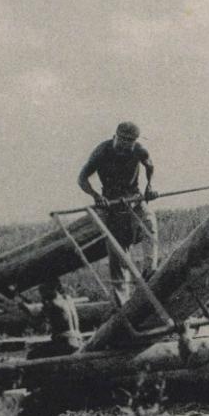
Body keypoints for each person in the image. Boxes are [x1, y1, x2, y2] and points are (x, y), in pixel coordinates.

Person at [77, 121, 161, 305]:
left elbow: (150, 166)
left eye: (129, 141)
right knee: (117, 252)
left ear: (135, 141)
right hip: (112, 204)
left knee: (149, 222)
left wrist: (150, 186)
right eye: (122, 139)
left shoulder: (139, 150)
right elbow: (82, 178)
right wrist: (96, 195)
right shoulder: (101, 152)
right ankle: (121, 305)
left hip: (134, 198)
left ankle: (150, 269)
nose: (125, 144)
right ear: (115, 136)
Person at [26, 278, 83, 359]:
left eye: (42, 291)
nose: (40, 294)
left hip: (65, 344)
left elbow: (37, 320)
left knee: (31, 355)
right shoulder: (68, 299)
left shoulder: (52, 304)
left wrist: (21, 305)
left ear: (50, 289)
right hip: (78, 341)